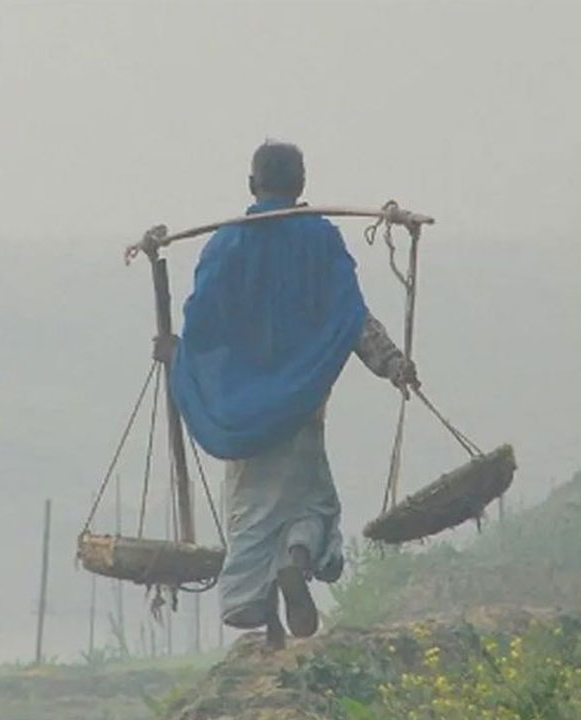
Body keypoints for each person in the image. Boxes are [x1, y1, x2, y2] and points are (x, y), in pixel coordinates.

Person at [162, 141, 417, 649]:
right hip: (302, 401)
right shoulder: (319, 239)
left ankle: (269, 621)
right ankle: (297, 563)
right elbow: (351, 317)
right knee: (309, 502)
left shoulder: (227, 245)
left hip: (241, 409)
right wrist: (392, 363)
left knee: (251, 508)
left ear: (252, 185)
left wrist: (175, 354)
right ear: (302, 185)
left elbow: (203, 325)